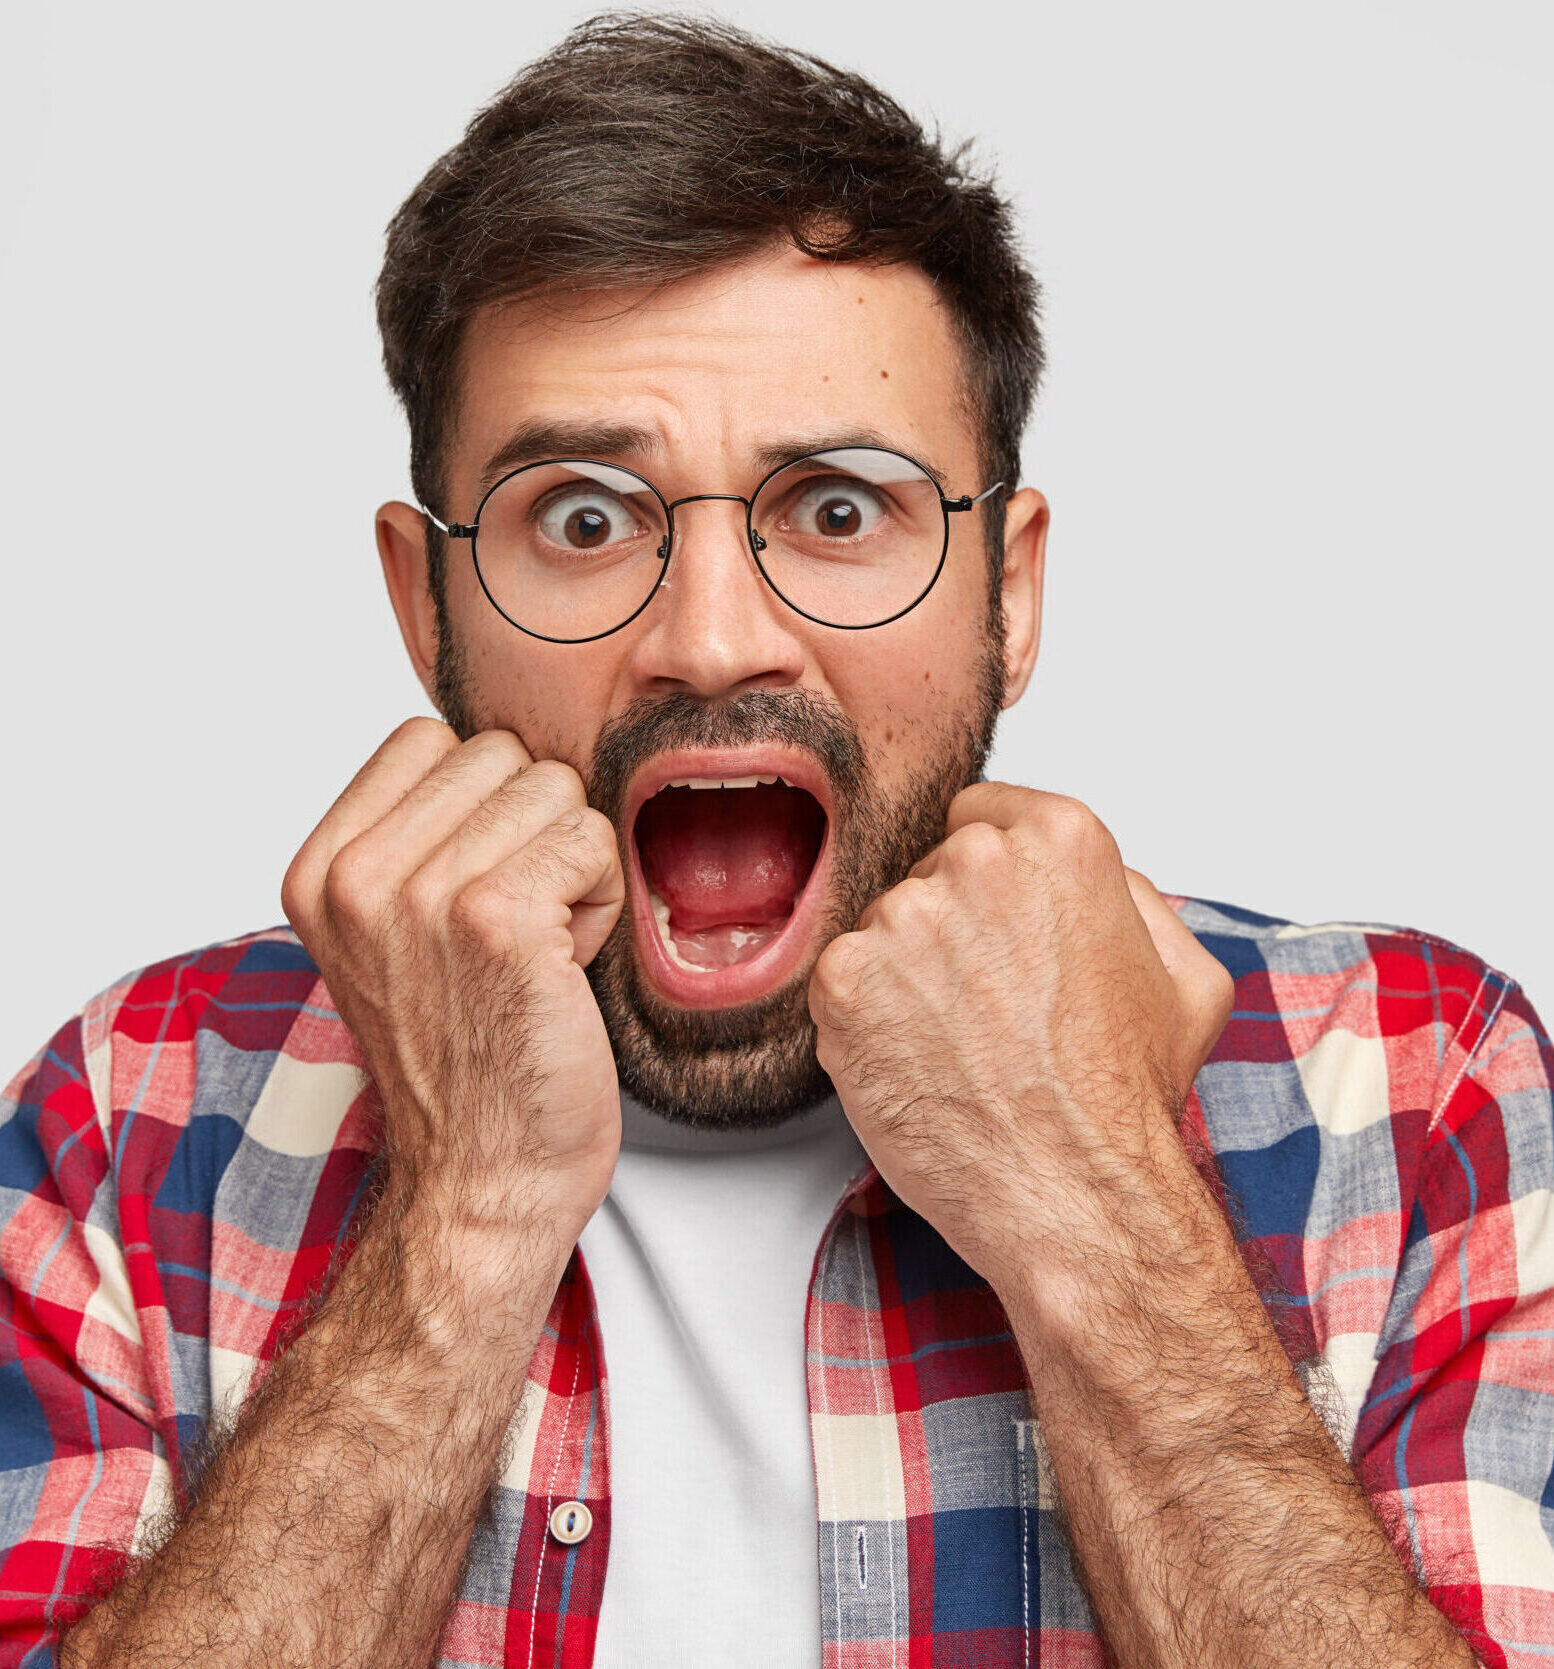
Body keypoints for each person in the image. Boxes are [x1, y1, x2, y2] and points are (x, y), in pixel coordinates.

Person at [2, 14, 1549, 1669]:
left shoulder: (1406, 1079)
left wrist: (1093, 1201)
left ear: (1007, 593)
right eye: (584, 518)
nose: (716, 637)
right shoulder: (137, 1103)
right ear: (424, 596)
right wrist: (464, 1217)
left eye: (835, 506)